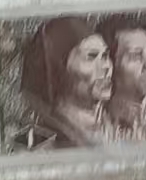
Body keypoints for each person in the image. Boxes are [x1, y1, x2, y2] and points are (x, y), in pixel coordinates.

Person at [20, 17, 117, 147]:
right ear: (60, 69)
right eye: (91, 57)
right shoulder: (43, 141)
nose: (106, 66)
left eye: (105, 56)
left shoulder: (114, 126)